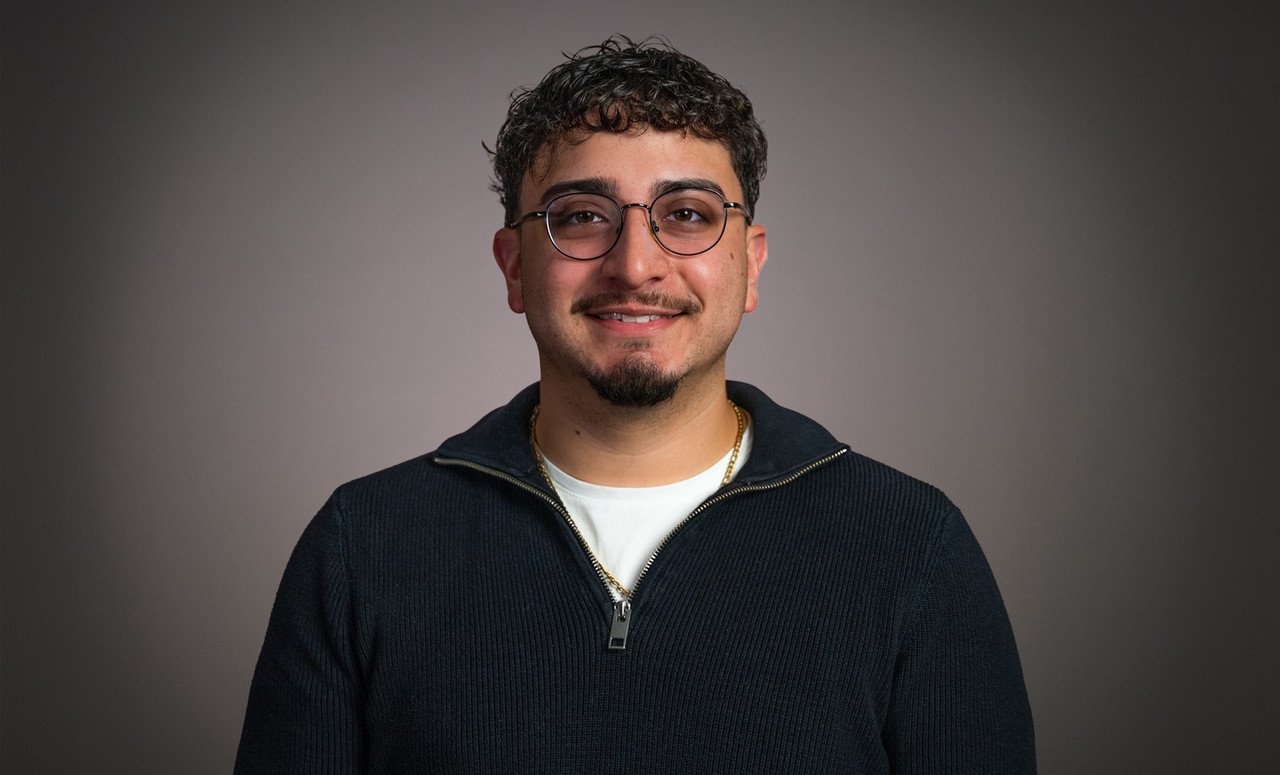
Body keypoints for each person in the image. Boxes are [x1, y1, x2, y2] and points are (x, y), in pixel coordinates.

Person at [234, 36, 1035, 773]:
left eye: (686, 214)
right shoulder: (363, 546)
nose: (636, 264)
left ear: (750, 264)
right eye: (583, 217)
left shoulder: (911, 547)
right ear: (515, 268)